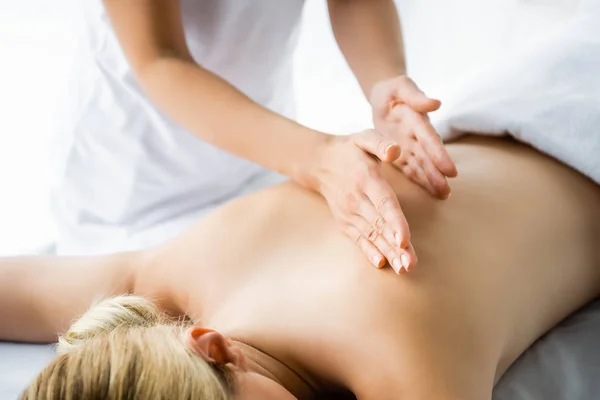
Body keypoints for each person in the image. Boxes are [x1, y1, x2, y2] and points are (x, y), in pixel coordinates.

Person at [3, 135, 599, 399]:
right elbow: (20, 290)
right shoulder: (192, 269)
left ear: (215, 348)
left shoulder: (398, 356)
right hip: (512, 112)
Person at [50, 0, 457, 270]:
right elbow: (159, 58)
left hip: (261, 155)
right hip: (133, 183)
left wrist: (383, 81)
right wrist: (318, 158)